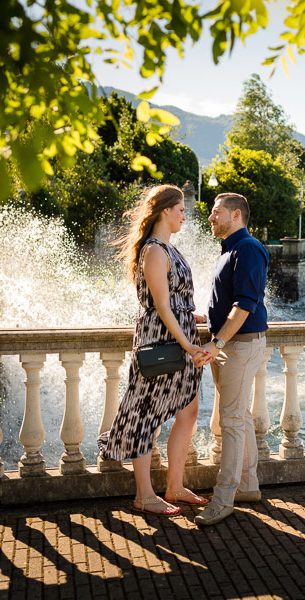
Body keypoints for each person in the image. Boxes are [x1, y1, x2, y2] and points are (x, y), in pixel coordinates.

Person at [98, 184, 211, 515]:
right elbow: (160, 306)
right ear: (165, 211)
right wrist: (188, 342)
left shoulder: (167, 248)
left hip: (176, 335)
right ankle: (144, 495)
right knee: (146, 417)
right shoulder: (154, 251)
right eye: (180, 210)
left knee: (189, 411)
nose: (184, 216)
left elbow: (174, 301)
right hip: (160, 341)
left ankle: (174, 487)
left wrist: (195, 316)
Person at [194, 193, 269, 527]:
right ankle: (248, 485)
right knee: (239, 417)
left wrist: (218, 341)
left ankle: (223, 499)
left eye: (216, 212)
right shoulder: (228, 250)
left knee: (231, 422)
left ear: (235, 214)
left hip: (239, 345)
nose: (211, 217)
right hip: (229, 343)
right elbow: (227, 304)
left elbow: (245, 305)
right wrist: (203, 322)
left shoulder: (248, 248)